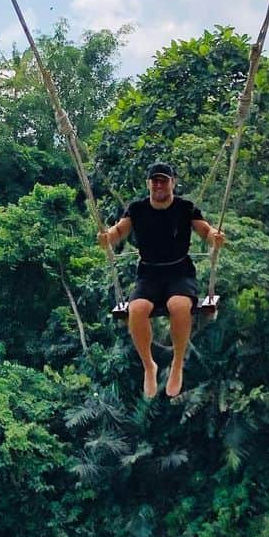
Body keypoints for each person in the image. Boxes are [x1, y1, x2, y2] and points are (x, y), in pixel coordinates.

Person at [98, 162, 226, 398]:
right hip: (149, 273)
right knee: (136, 309)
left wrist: (214, 237)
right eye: (155, 180)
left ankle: (177, 364)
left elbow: (205, 230)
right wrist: (107, 238)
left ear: (172, 183)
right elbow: (119, 231)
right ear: (148, 183)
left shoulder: (185, 207)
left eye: (163, 180)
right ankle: (149, 365)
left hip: (179, 271)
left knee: (178, 305)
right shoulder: (137, 209)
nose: (159, 184)